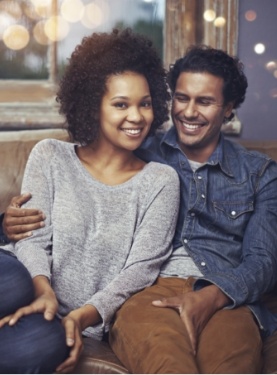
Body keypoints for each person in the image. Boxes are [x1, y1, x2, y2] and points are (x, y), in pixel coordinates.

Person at [2, 45, 277, 374]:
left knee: (42, 346)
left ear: (228, 108)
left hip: (212, 294)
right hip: (91, 286)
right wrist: (8, 225)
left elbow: (262, 261)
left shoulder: (244, 173)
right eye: (182, 98)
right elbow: (37, 229)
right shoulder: (102, 148)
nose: (189, 112)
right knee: (14, 281)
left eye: (204, 101)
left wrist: (215, 296)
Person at [0, 28, 180, 374]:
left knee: (47, 343)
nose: (137, 116)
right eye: (120, 104)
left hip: (65, 318)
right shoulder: (50, 155)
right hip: (22, 281)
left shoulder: (160, 181)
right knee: (13, 281)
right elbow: (31, 239)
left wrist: (81, 317)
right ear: (91, 104)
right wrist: (43, 291)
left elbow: (139, 270)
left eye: (145, 103)